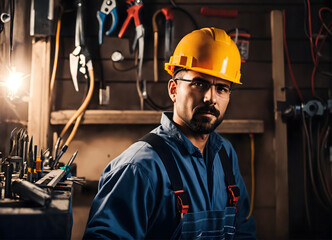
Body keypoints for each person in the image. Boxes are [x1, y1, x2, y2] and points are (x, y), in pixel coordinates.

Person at [84, 27, 257, 239]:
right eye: (199, 83)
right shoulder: (140, 166)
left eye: (221, 88)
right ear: (174, 89)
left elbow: (243, 231)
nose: (210, 98)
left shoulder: (225, 155)